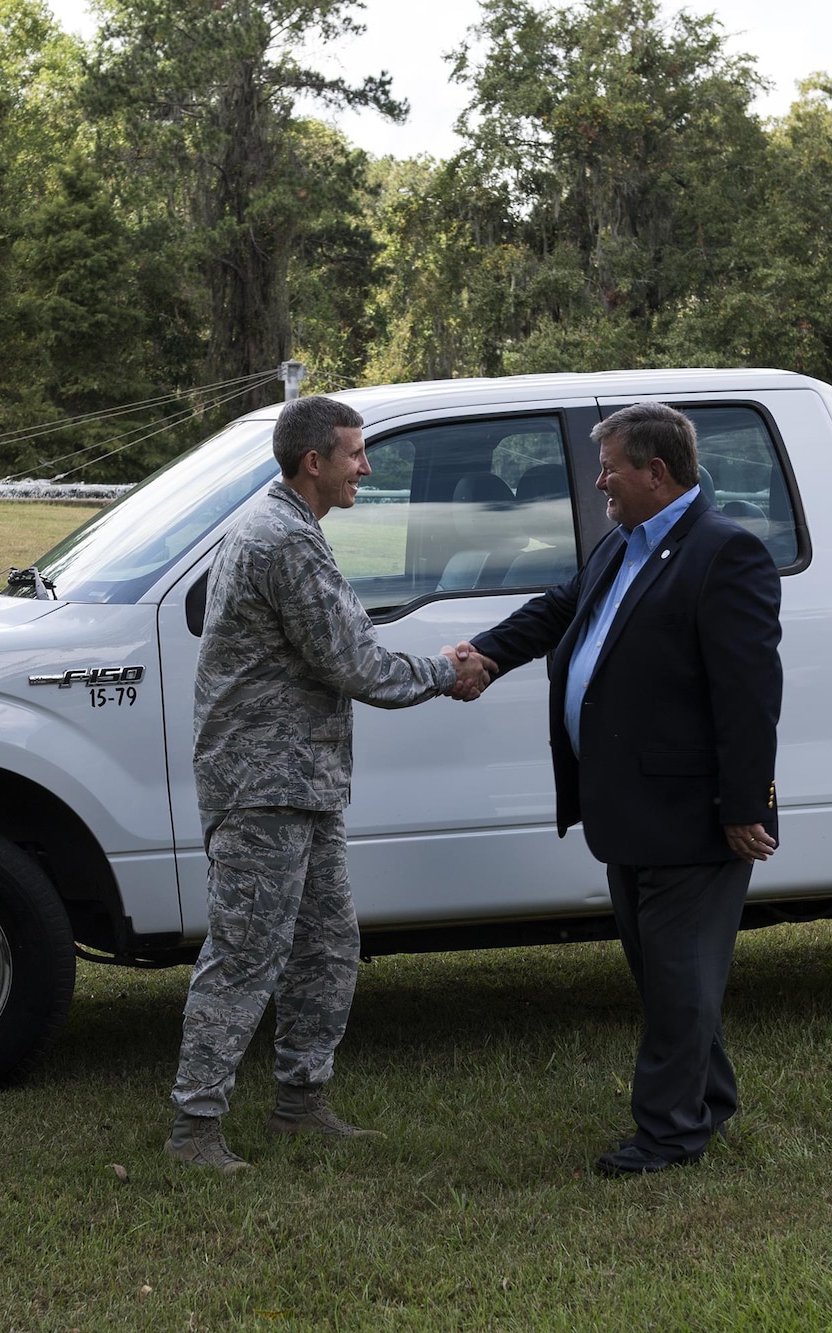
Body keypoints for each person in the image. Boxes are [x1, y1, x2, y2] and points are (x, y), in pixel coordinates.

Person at [167, 394, 491, 1174]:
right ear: (314, 461)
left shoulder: (285, 528)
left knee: (325, 944)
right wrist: (449, 671)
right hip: (265, 784)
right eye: (355, 453)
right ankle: (193, 1130)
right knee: (245, 952)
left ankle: (299, 1103)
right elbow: (356, 663)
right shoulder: (282, 540)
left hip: (300, 781)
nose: (366, 467)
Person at [457, 401, 782, 1177]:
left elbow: (749, 695)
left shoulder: (724, 552)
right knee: (673, 975)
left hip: (690, 814)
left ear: (655, 472)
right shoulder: (624, 543)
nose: (598, 479)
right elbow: (560, 609)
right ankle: (708, 1100)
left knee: (676, 978)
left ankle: (669, 1135)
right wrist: (485, 655)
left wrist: (745, 808)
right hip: (630, 810)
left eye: (609, 467)